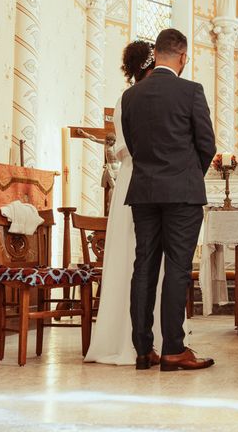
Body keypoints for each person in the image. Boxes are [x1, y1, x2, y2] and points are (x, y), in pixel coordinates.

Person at [122, 28, 216, 372]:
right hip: (182, 193)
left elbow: (134, 146)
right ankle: (174, 348)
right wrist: (189, 175)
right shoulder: (190, 91)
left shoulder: (130, 96)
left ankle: (144, 350)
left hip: (144, 192)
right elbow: (207, 144)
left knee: (143, 266)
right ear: (182, 57)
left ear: (157, 53)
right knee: (177, 269)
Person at [85, 40, 178, 366]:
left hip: (135, 181)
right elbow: (127, 149)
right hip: (141, 183)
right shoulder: (132, 99)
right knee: (138, 260)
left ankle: (146, 340)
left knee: (144, 261)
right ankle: (135, 340)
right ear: (150, 66)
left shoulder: (130, 98)